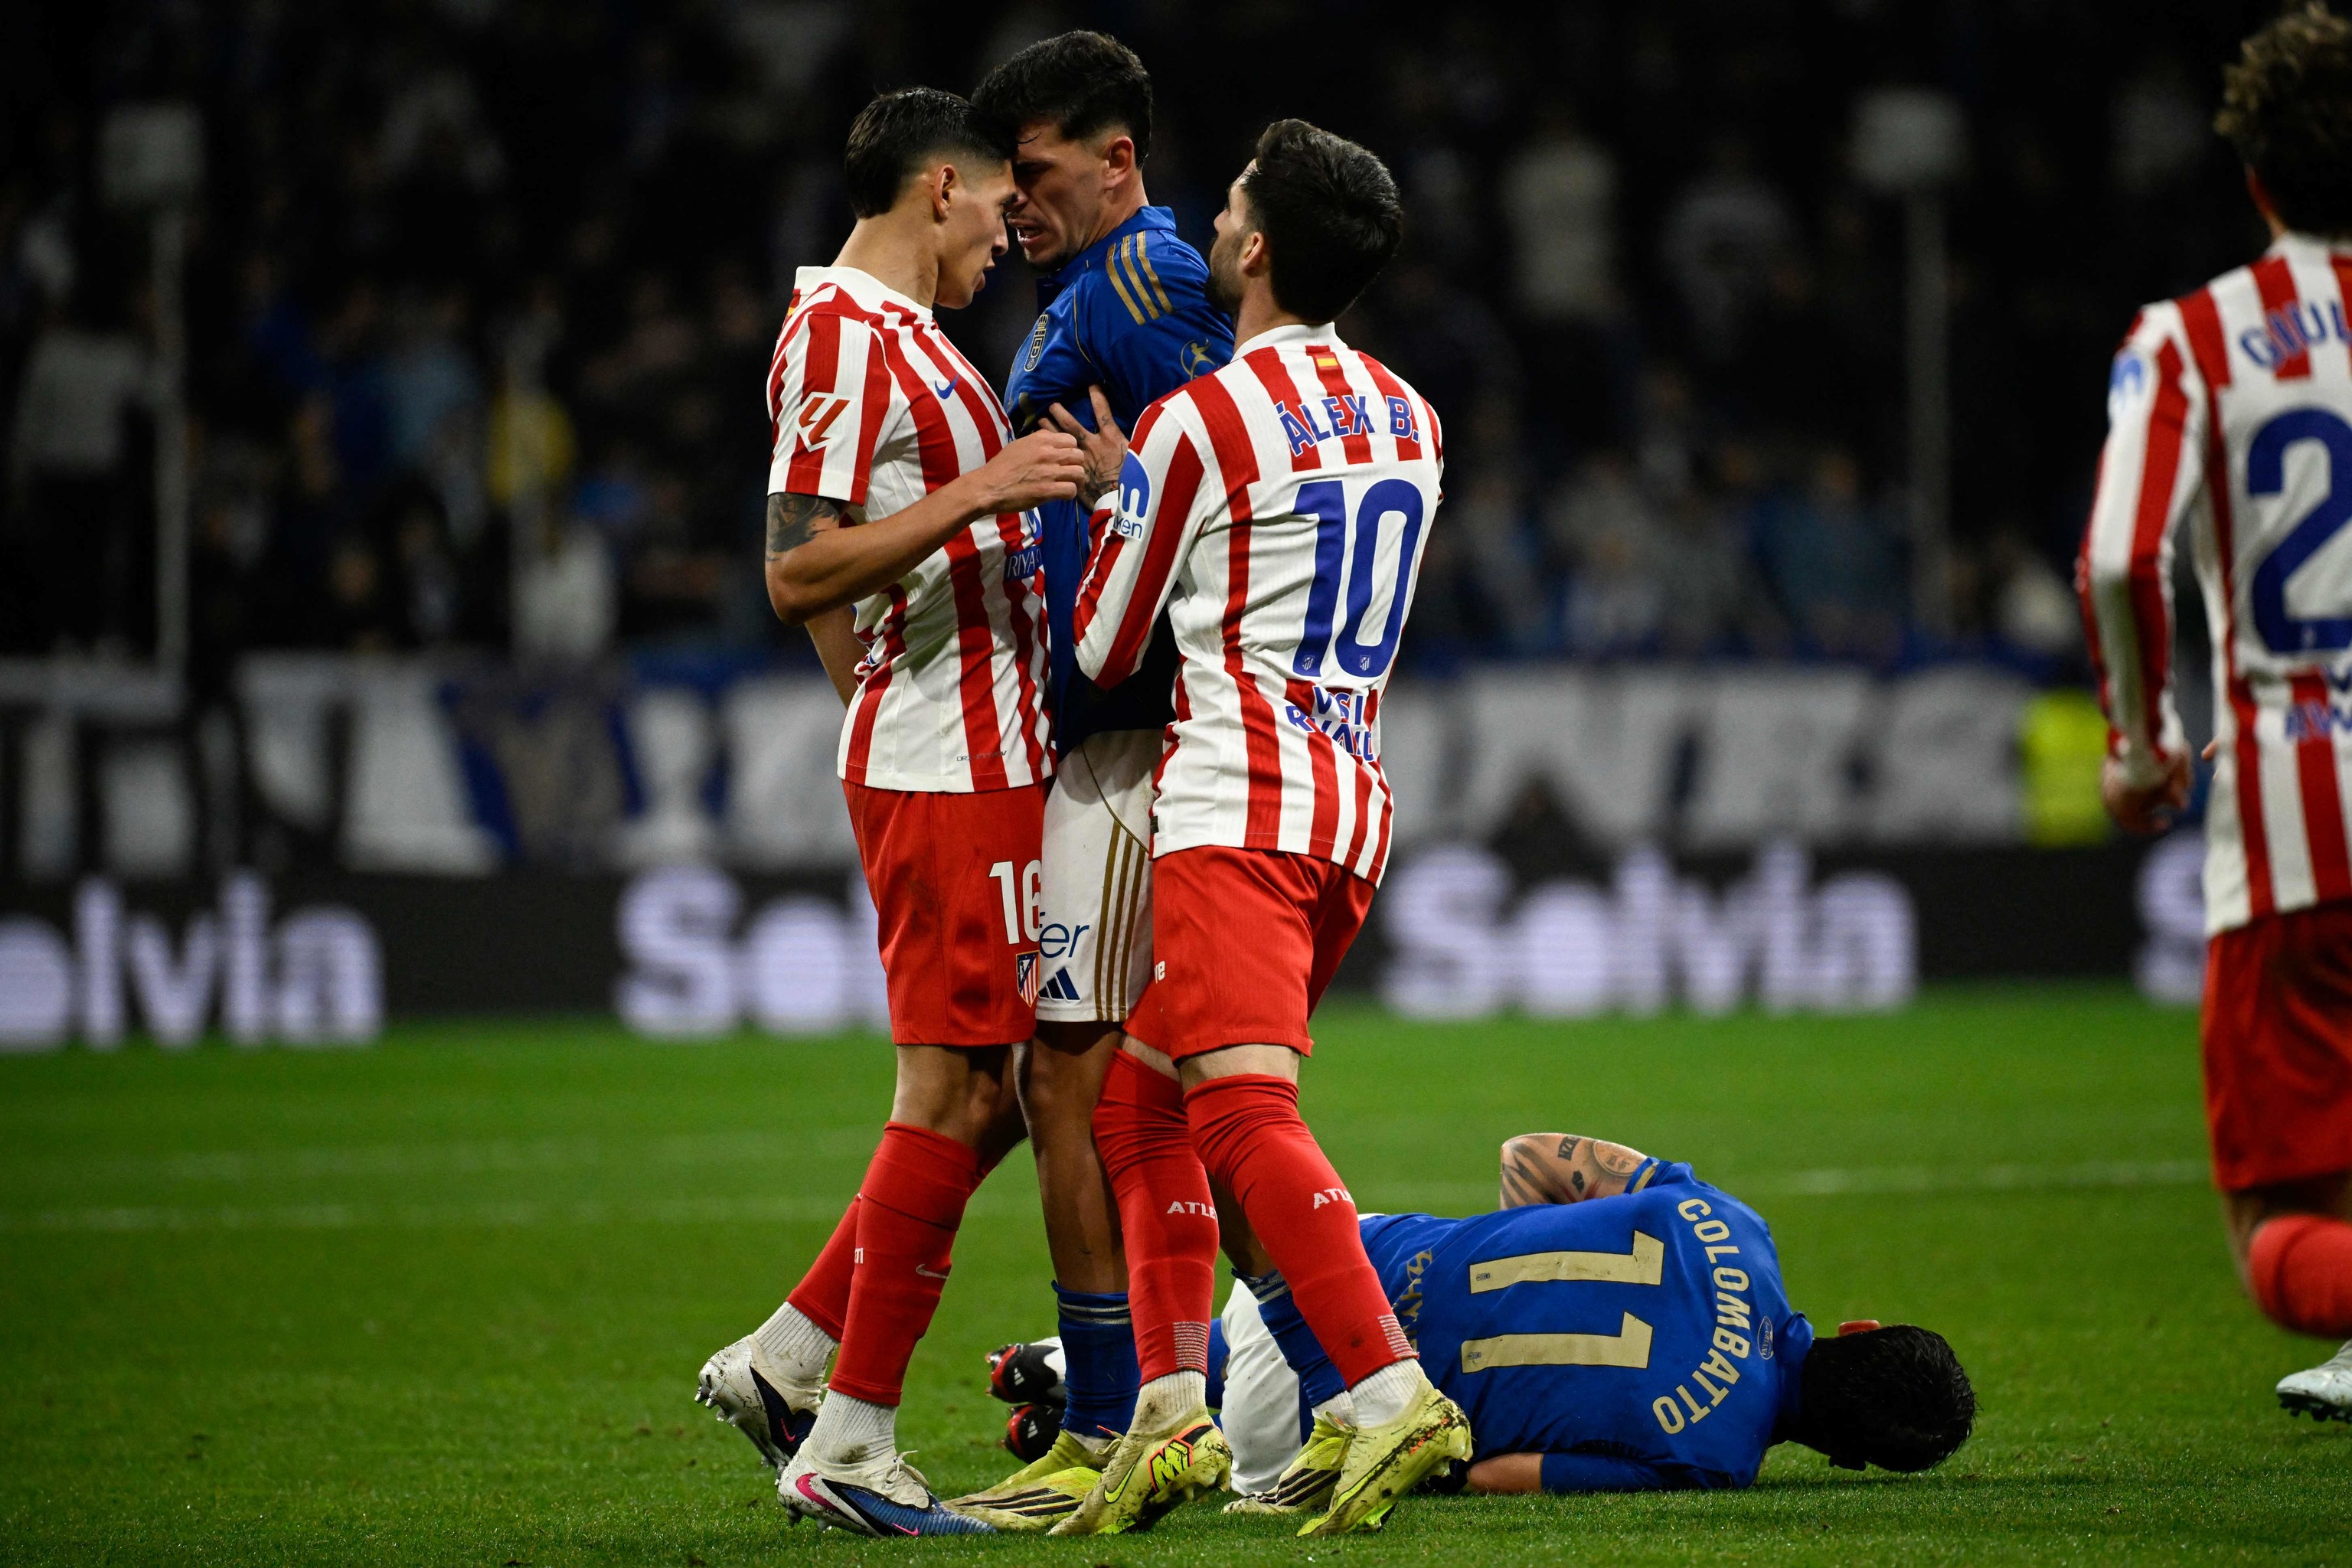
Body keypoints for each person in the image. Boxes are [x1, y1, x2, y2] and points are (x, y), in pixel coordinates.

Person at [688, 87, 1086, 1537]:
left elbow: (843, 582)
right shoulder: (848, 334)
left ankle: (797, 1358)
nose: (1008, 230)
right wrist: (986, 491)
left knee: (1008, 1087)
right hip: (948, 766)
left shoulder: (905, 339)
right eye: (995, 203)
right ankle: (848, 1437)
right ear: (939, 188)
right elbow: (799, 569)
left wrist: (877, 671)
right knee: (958, 1093)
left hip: (966, 750)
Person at [1059, 119, 1455, 1538]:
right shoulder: (1411, 415)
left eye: (1229, 201)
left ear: (1259, 246)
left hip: (1234, 805)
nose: (1211, 218)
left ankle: (1389, 1391)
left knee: (1235, 1111)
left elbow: (1107, 644)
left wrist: (1124, 506)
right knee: (1140, 1104)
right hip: (1350, 806)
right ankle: (1172, 1411)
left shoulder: (1197, 420)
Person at [945, 32, 1235, 1534]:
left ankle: (1121, 1421)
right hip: (1104, 736)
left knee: (1087, 1077)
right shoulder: (1082, 298)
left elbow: (1239, 477)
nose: (1020, 200)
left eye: (1039, 172)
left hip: (1146, 737)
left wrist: (1143, 512)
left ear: (1116, 161)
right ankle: (1288, 1378)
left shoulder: (1150, 291)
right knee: (1162, 1085)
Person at [2079, 2, 2352, 1425]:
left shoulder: (2199, 339)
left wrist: (2141, 745)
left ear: (2253, 175)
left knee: (2279, 1233)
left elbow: (2124, 554)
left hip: (2301, 807)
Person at [985, 1132, 1975, 1508]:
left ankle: (1096, 1371)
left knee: (1263, 1215)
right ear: (1848, 1458)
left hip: (1326, 1269)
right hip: (1309, 1440)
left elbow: (1530, 1154)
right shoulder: (1717, 1459)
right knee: (1331, 1431)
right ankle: (1119, 1395)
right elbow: (1497, 1476)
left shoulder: (1727, 1224)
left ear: (1858, 1328)